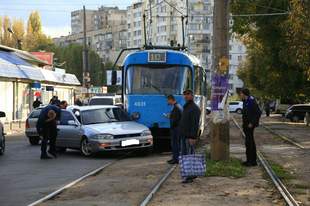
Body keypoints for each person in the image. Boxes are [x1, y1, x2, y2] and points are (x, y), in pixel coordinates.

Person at [179, 89, 201, 183]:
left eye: (188, 94)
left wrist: (193, 137)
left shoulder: (194, 108)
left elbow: (195, 124)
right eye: (184, 95)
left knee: (189, 156)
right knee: (185, 156)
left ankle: (190, 176)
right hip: (184, 135)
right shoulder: (186, 107)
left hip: (189, 136)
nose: (186, 96)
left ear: (192, 96)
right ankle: (190, 174)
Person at [239, 88, 261, 167]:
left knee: (250, 143)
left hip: (250, 126)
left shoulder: (252, 101)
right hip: (246, 125)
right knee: (248, 143)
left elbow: (258, 113)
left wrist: (252, 123)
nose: (240, 95)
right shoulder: (245, 101)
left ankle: (252, 161)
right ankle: (249, 160)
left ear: (244, 94)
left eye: (241, 93)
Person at [166, 95, 182, 164]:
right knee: (175, 144)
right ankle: (174, 158)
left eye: (168, 100)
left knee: (175, 144)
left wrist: (170, 117)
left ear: (171, 100)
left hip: (175, 129)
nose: (167, 102)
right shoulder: (178, 106)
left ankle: (176, 159)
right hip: (177, 128)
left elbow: (175, 120)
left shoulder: (176, 107)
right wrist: (170, 116)